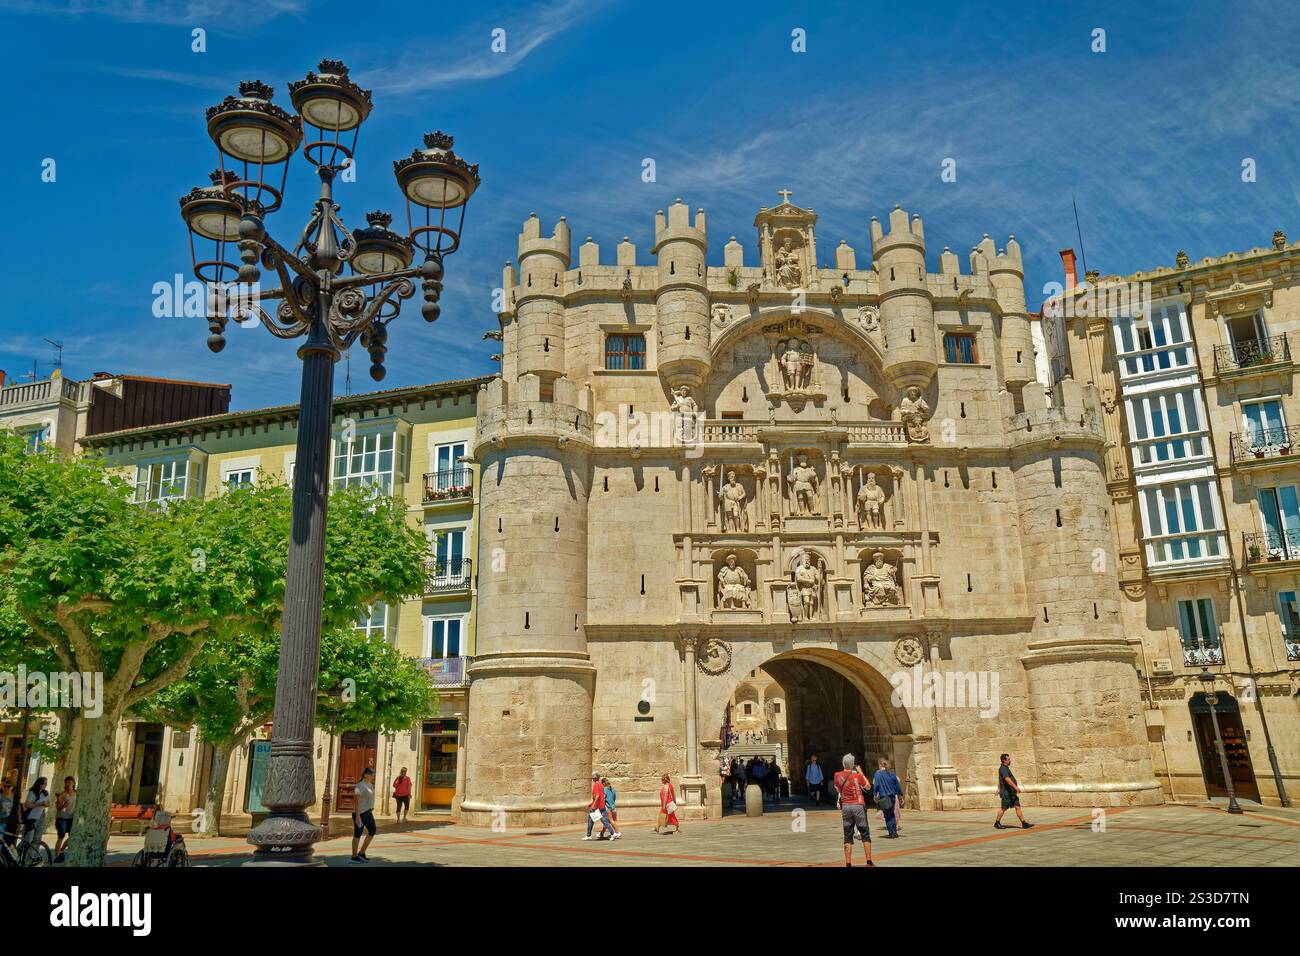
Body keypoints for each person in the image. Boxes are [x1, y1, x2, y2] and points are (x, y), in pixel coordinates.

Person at [833, 755, 873, 867]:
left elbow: (837, 788)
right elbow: (868, 787)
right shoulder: (857, 776)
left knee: (848, 835)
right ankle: (869, 862)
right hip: (858, 805)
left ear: (843, 764)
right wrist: (861, 773)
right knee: (865, 833)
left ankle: (848, 863)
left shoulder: (837, 775)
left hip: (846, 806)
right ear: (852, 764)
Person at [994, 754, 1033, 829]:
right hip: (1007, 793)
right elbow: (1007, 779)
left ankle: (1024, 823)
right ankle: (997, 822)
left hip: (1012, 793)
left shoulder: (1006, 768)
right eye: (1008, 759)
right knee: (1003, 808)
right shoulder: (1003, 768)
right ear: (1004, 760)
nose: (1010, 760)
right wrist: (1016, 787)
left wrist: (998, 789)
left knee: (1017, 807)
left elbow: (1000, 780)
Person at [350, 767, 378, 862]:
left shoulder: (370, 784)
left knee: (372, 830)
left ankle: (361, 853)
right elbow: (356, 802)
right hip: (360, 813)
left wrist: (371, 806)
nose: (373, 776)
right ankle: (354, 857)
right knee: (358, 834)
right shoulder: (359, 786)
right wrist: (357, 817)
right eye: (371, 774)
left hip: (368, 812)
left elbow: (370, 797)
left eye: (373, 774)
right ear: (366, 775)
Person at [584, 771, 620, 841]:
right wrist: (591, 804)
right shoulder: (601, 784)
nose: (592, 779)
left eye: (593, 777)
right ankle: (589, 835)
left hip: (597, 807)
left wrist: (593, 806)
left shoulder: (596, 785)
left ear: (595, 778)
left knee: (600, 821)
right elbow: (601, 796)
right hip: (602, 806)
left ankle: (612, 833)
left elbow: (597, 796)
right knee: (597, 820)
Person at [872, 758, 901, 839]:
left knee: (887, 815)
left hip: (884, 797)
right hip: (892, 797)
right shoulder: (892, 774)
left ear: (880, 765)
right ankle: (894, 831)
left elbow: (876, 785)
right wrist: (900, 795)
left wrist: (874, 794)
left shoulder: (878, 773)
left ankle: (891, 832)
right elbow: (897, 786)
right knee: (892, 814)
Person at [22, 776, 50, 851]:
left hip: (41, 815)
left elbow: (48, 804)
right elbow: (27, 805)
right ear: (40, 784)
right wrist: (39, 804)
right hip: (32, 816)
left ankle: (33, 856)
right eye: (44, 783)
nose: (46, 785)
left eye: (46, 784)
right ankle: (22, 853)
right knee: (28, 838)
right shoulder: (32, 792)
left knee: (38, 837)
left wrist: (45, 804)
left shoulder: (45, 793)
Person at [54, 776, 76, 862]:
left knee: (72, 836)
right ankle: (57, 856)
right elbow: (58, 808)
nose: (68, 784)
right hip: (62, 818)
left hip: (71, 818)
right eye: (67, 782)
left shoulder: (77, 793)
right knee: (61, 837)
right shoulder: (62, 794)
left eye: (70, 782)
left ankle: (61, 850)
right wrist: (63, 805)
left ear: (73, 783)